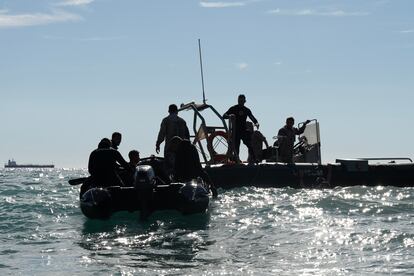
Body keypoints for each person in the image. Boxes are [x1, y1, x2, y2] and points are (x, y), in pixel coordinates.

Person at [223, 94, 259, 161]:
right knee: (236, 146)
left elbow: (252, 117)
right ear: (238, 100)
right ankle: (237, 159)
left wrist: (256, 123)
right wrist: (230, 116)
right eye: (239, 100)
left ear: (245, 101)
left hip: (243, 130)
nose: (240, 102)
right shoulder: (233, 108)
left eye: (242, 101)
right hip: (235, 131)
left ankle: (254, 159)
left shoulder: (246, 110)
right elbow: (224, 115)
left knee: (249, 144)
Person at [155, 104, 190, 170]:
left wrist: (158, 144)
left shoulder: (166, 120)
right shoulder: (182, 121)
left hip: (169, 148)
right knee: (181, 167)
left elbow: (162, 134)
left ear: (169, 111)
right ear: (177, 111)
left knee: (169, 168)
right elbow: (187, 136)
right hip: (181, 148)